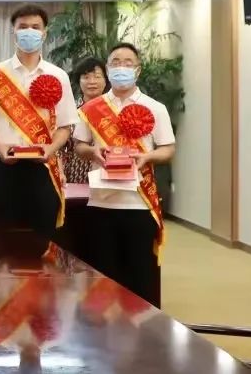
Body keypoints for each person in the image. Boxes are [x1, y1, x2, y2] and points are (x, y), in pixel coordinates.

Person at [74, 43, 174, 306]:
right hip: (101, 203)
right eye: (116, 62)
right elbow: (79, 146)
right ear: (108, 69)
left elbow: (167, 149)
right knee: (102, 278)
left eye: (128, 63)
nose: (122, 67)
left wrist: (147, 157)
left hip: (139, 203)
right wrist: (93, 152)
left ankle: (142, 328)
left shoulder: (155, 107)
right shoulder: (91, 109)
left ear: (138, 70)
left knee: (140, 277)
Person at [0, 4, 77, 238]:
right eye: (23, 27)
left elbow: (66, 126)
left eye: (35, 27)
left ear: (44, 33)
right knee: (4, 238)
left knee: (43, 237)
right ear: (14, 32)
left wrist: (51, 148)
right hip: (4, 168)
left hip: (44, 169)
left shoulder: (58, 75)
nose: (29, 31)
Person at [60, 57, 110, 185]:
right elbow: (58, 148)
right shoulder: (70, 111)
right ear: (79, 81)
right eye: (86, 77)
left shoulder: (113, 111)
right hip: (74, 176)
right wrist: (60, 172)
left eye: (97, 77)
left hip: (107, 174)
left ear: (106, 80)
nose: (92, 82)